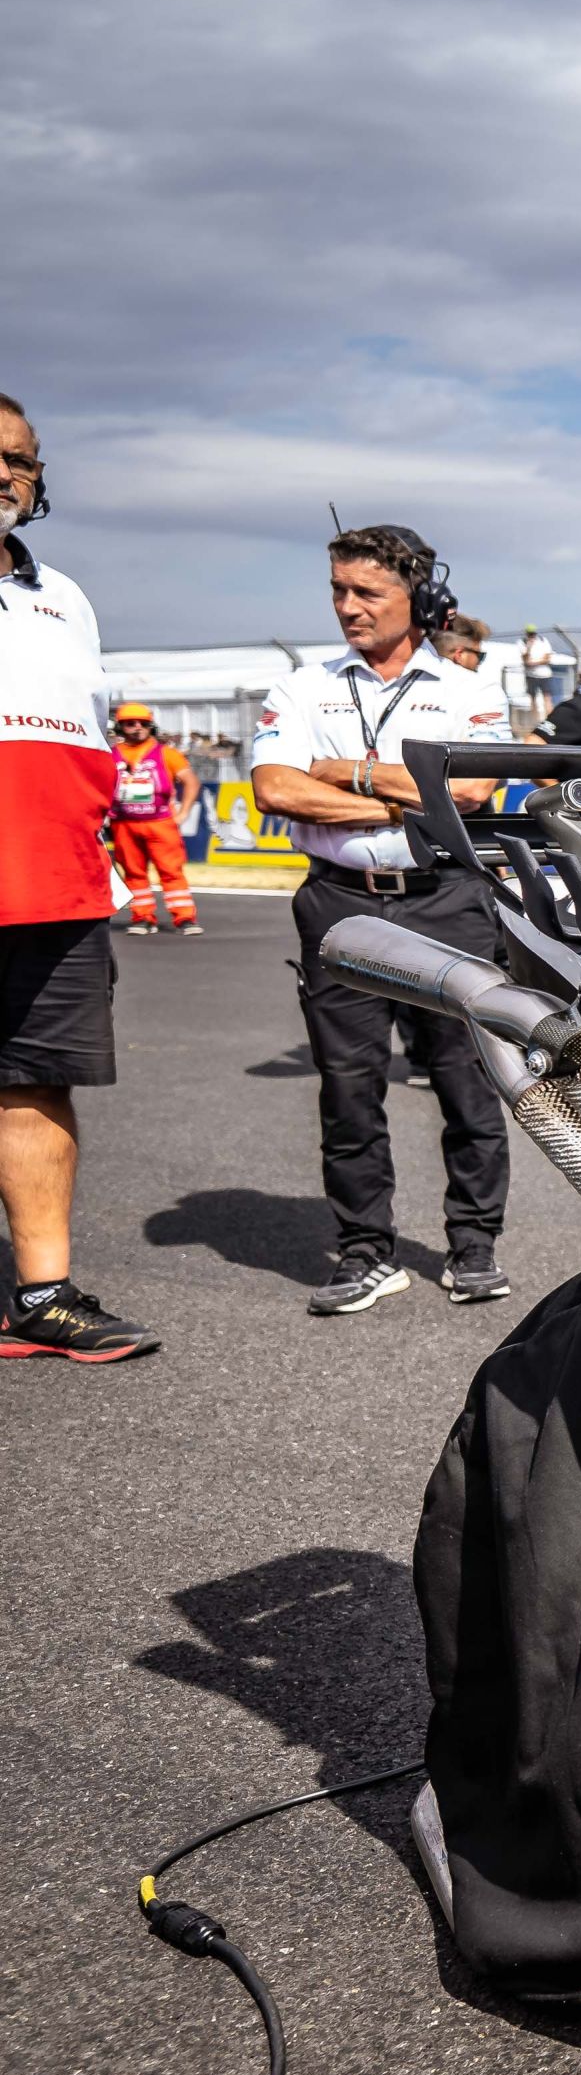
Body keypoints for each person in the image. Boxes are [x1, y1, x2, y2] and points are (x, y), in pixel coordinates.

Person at [248, 523, 517, 1315]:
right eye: (338, 590)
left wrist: (343, 770)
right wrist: (402, 796)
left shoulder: (470, 690)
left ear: (419, 596)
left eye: (367, 591)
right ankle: (366, 1250)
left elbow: (469, 792)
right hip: (339, 898)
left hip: (446, 900)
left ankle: (474, 1244)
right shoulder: (301, 687)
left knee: (468, 1082)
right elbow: (276, 789)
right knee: (348, 1089)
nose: (348, 607)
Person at [0, 395, 158, 1361]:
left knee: (34, 1085)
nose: (3, 472)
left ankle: (41, 1295)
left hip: (55, 890)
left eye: (18, 458)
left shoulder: (64, 594)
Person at [106, 702, 203, 936]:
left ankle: (184, 917)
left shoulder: (167, 753)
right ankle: (142, 917)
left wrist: (183, 813)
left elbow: (191, 781)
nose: (137, 727)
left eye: (143, 723)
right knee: (133, 872)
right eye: (130, 724)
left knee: (171, 871)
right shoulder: (111, 755)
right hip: (124, 824)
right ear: (120, 727)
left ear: (151, 726)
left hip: (160, 823)